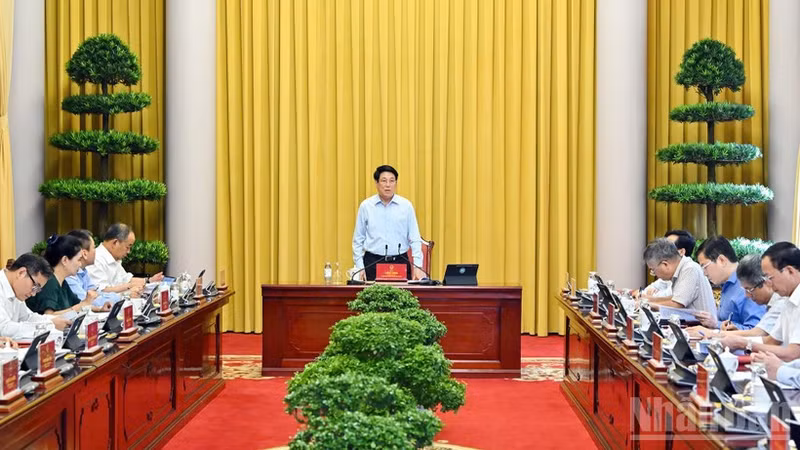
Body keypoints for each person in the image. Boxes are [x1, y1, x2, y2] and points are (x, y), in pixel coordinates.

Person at [721, 242, 800, 362]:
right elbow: (771, 341)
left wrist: (745, 344)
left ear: (790, 271)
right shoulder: (788, 299)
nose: (768, 283)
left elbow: (793, 353)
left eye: (770, 277)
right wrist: (738, 340)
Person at [352, 165, 425, 281]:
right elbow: (358, 240)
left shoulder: (406, 206)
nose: (388, 185)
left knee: (402, 293)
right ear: (377, 183)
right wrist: (360, 267)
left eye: (392, 181)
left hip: (400, 261)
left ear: (396, 183)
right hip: (372, 262)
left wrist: (418, 266)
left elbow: (415, 238)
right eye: (384, 181)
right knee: (372, 293)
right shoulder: (366, 206)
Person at [687, 254, 785, 339]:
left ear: (767, 282)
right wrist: (733, 330)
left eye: (749, 290)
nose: (747, 295)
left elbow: (759, 334)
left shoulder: (781, 302)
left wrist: (712, 333)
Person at [692, 236, 765, 330]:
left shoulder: (748, 282)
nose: (704, 273)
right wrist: (715, 324)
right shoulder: (726, 284)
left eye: (705, 266)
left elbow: (755, 330)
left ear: (721, 260)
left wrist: (716, 325)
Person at [641, 238, 718, 322]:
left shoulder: (690, 269)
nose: (654, 274)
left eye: (653, 270)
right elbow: (675, 298)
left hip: (704, 327)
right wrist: (649, 299)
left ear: (665, 264)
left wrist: (647, 304)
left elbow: (677, 304)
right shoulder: (680, 269)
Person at [0, 253, 69, 339]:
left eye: (37, 289)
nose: (33, 294)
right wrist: (48, 326)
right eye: (35, 286)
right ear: (21, 273)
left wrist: (52, 320)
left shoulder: (16, 291)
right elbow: (3, 329)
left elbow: (28, 317)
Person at [26, 234, 95, 315]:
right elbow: (49, 316)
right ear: (65, 260)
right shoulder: (49, 282)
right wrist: (81, 306)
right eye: (79, 260)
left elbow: (78, 304)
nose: (80, 264)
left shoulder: (63, 282)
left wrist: (100, 308)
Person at [87, 223, 163, 293]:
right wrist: (130, 287)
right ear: (115, 243)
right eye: (127, 247)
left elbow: (126, 279)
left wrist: (149, 280)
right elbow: (102, 291)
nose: (128, 251)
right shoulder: (95, 259)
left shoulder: (114, 258)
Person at [65, 229, 120, 309]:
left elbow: (96, 294)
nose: (96, 251)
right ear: (84, 253)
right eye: (94, 248)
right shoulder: (69, 276)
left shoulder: (84, 271)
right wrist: (119, 297)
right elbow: (89, 302)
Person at [638, 230, 697, 300]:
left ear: (681, 252)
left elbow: (674, 301)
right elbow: (649, 290)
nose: (663, 250)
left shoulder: (689, 269)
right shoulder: (671, 272)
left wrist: (650, 298)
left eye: (669, 246)